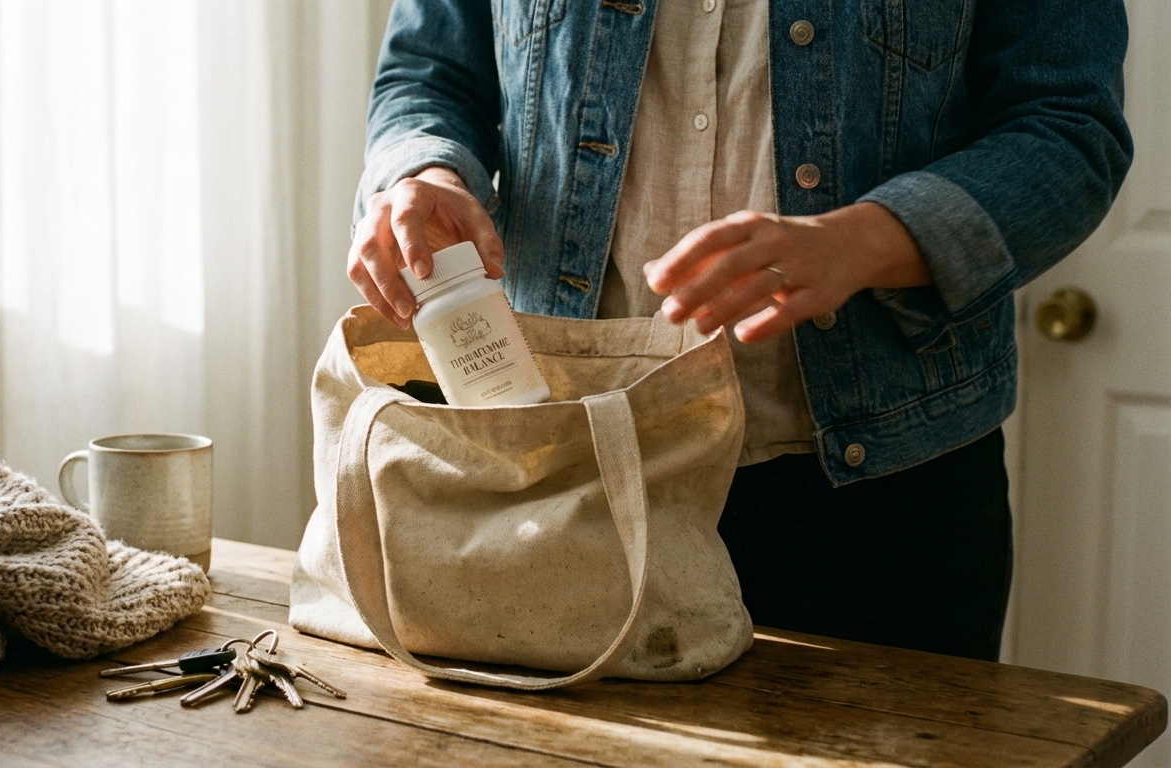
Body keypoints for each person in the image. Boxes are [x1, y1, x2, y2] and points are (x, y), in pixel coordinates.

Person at [345, 0, 1132, 661]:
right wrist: (423, 172)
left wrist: (860, 241)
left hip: (880, 491)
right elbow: (429, 75)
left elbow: (1068, 127)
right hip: (560, 463)